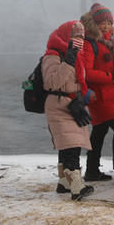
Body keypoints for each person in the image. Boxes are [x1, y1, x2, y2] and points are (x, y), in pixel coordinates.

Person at [42, 20, 94, 201]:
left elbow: (76, 82)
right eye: (75, 36)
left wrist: (82, 98)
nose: (78, 40)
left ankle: (64, 182)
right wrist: (69, 61)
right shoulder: (52, 55)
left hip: (73, 104)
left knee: (69, 143)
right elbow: (52, 83)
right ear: (65, 36)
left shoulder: (76, 56)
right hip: (57, 104)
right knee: (71, 144)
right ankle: (77, 187)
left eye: (81, 36)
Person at [81, 3, 114, 184]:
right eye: (102, 23)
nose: (106, 26)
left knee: (100, 130)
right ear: (94, 24)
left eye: (108, 23)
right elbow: (86, 72)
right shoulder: (90, 44)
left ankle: (92, 171)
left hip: (112, 95)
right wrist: (110, 77)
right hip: (101, 96)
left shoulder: (111, 43)